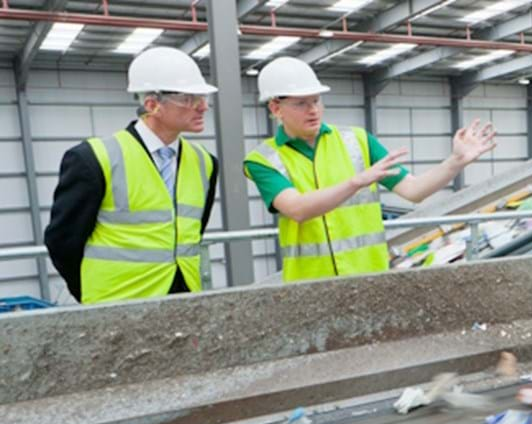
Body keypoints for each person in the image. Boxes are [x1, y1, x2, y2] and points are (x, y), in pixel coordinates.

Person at [244, 57, 497, 282]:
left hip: (370, 279)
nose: (313, 110)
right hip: (309, 288)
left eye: (316, 100)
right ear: (276, 108)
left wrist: (455, 162)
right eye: (300, 103)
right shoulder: (263, 160)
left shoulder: (357, 140)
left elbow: (413, 190)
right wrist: (356, 182)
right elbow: (297, 209)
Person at [45, 47, 220, 304]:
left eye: (202, 97)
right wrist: (92, 294)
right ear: (152, 105)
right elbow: (62, 242)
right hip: (116, 304)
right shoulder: (94, 159)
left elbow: (191, 232)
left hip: (184, 300)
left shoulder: (205, 163)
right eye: (189, 98)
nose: (202, 107)